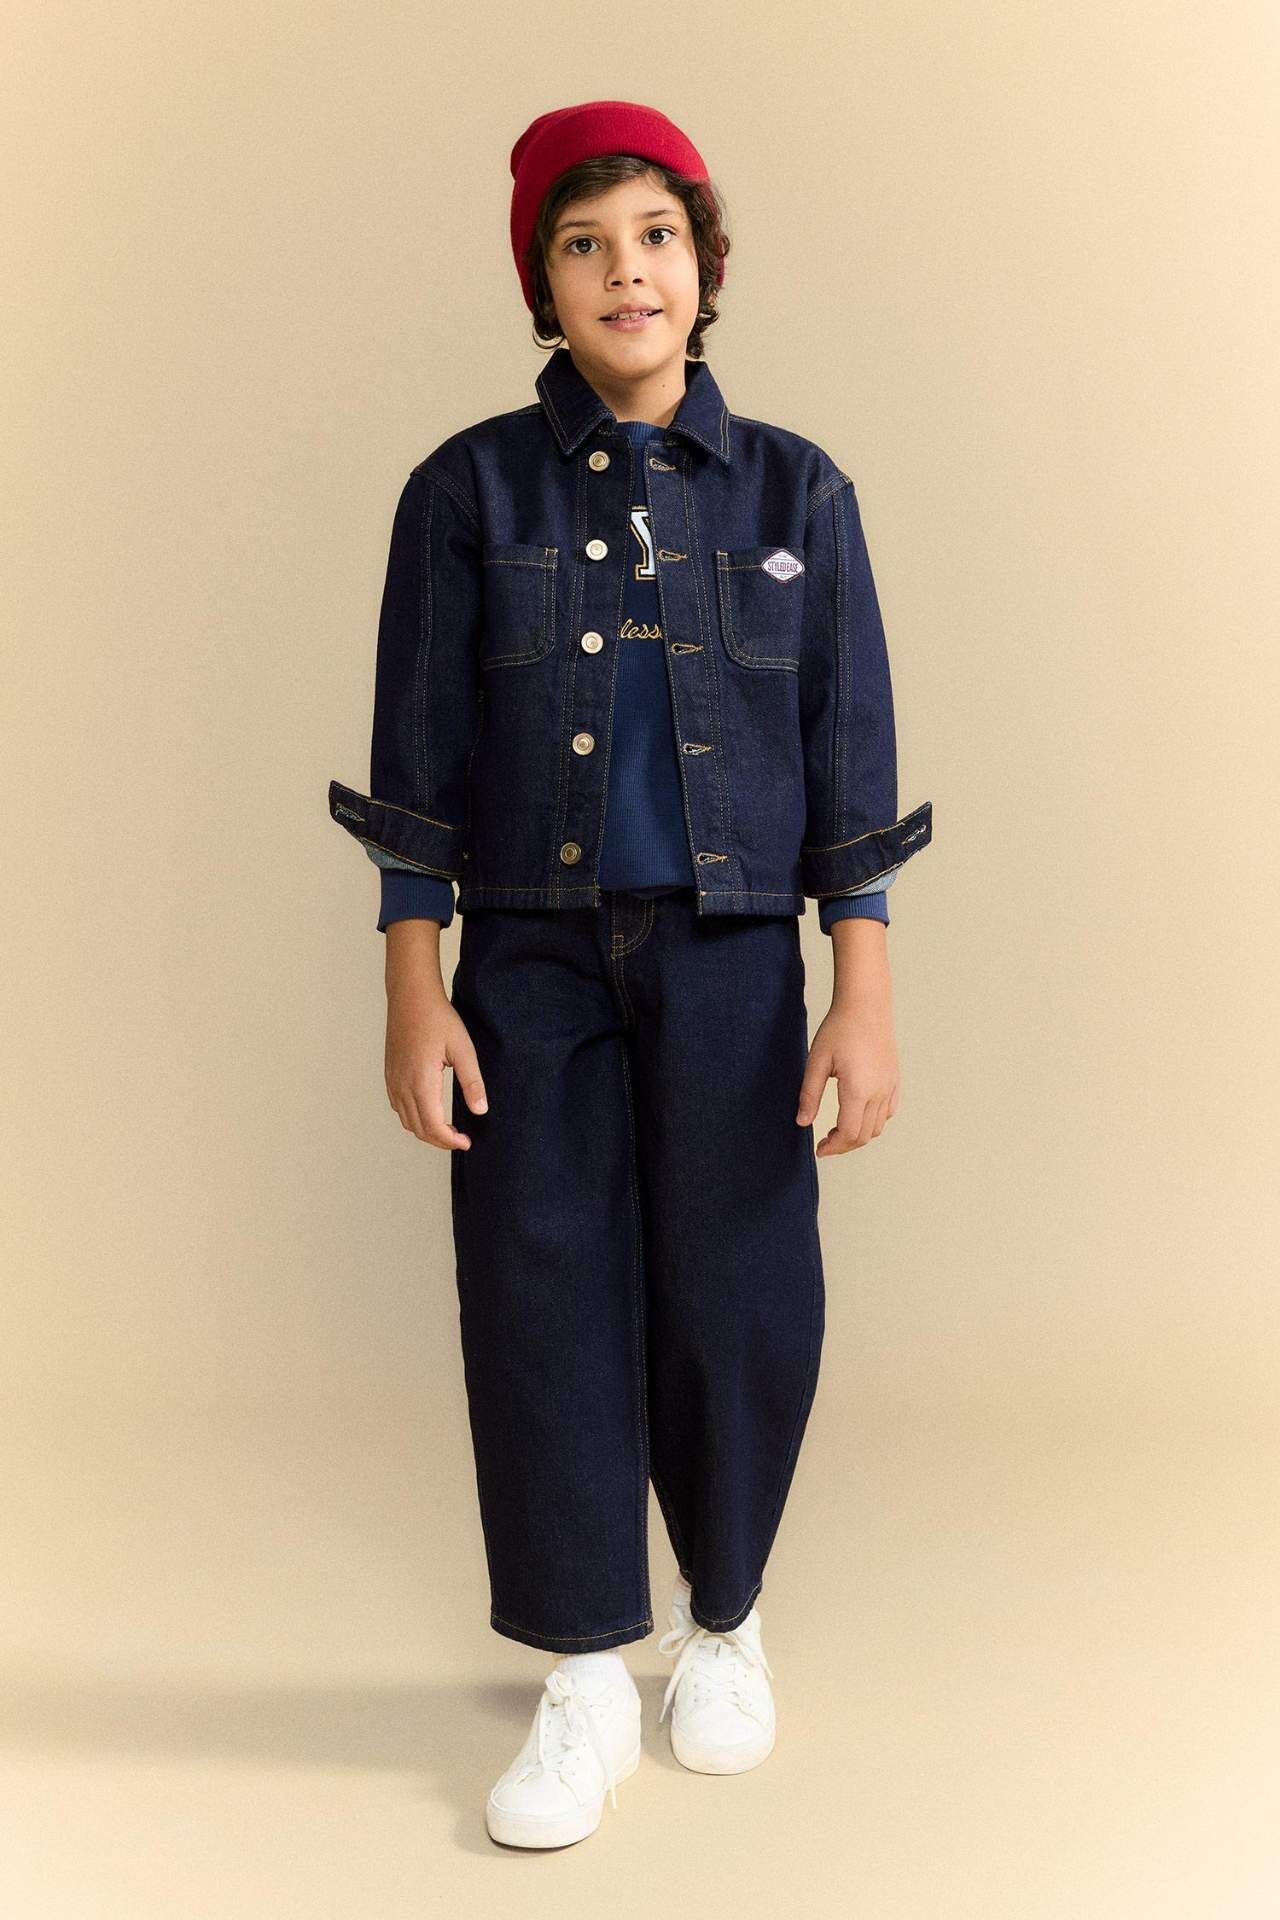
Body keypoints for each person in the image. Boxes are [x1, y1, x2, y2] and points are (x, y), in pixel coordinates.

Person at [327, 99, 933, 1849]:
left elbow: (848, 757)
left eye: (654, 235)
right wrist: (414, 989)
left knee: (743, 1292)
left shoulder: (800, 492)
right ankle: (587, 1665)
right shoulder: (465, 491)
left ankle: (723, 1622)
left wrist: (863, 991)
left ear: (703, 261)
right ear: (544, 281)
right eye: (583, 244)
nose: (625, 271)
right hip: (525, 960)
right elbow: (419, 767)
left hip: (736, 957)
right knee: (540, 1288)